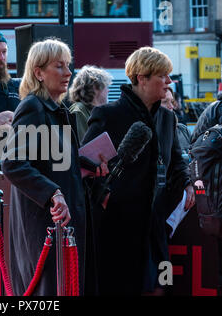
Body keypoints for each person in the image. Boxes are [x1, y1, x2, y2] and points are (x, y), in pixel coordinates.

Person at [82, 47, 195, 295]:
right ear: (141, 78)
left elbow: (176, 160)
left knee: (159, 287)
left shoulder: (167, 118)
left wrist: (186, 183)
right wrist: (103, 195)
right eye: (162, 76)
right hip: (118, 229)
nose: (169, 82)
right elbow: (85, 166)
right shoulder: (107, 115)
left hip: (154, 227)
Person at [1, 38, 98, 296]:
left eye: (68, 65)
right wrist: (53, 193)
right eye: (59, 66)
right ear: (39, 73)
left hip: (61, 224)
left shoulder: (57, 108)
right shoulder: (33, 107)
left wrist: (90, 163)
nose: (68, 73)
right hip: (44, 226)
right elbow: (12, 163)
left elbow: (57, 157)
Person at [68, 65, 113, 142]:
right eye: (106, 86)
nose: (108, 91)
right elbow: (83, 148)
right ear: (95, 87)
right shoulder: (78, 112)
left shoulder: (94, 112)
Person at [161, 87, 191, 162]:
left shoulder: (183, 130)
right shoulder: (148, 134)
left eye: (171, 101)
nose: (171, 106)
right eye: (165, 102)